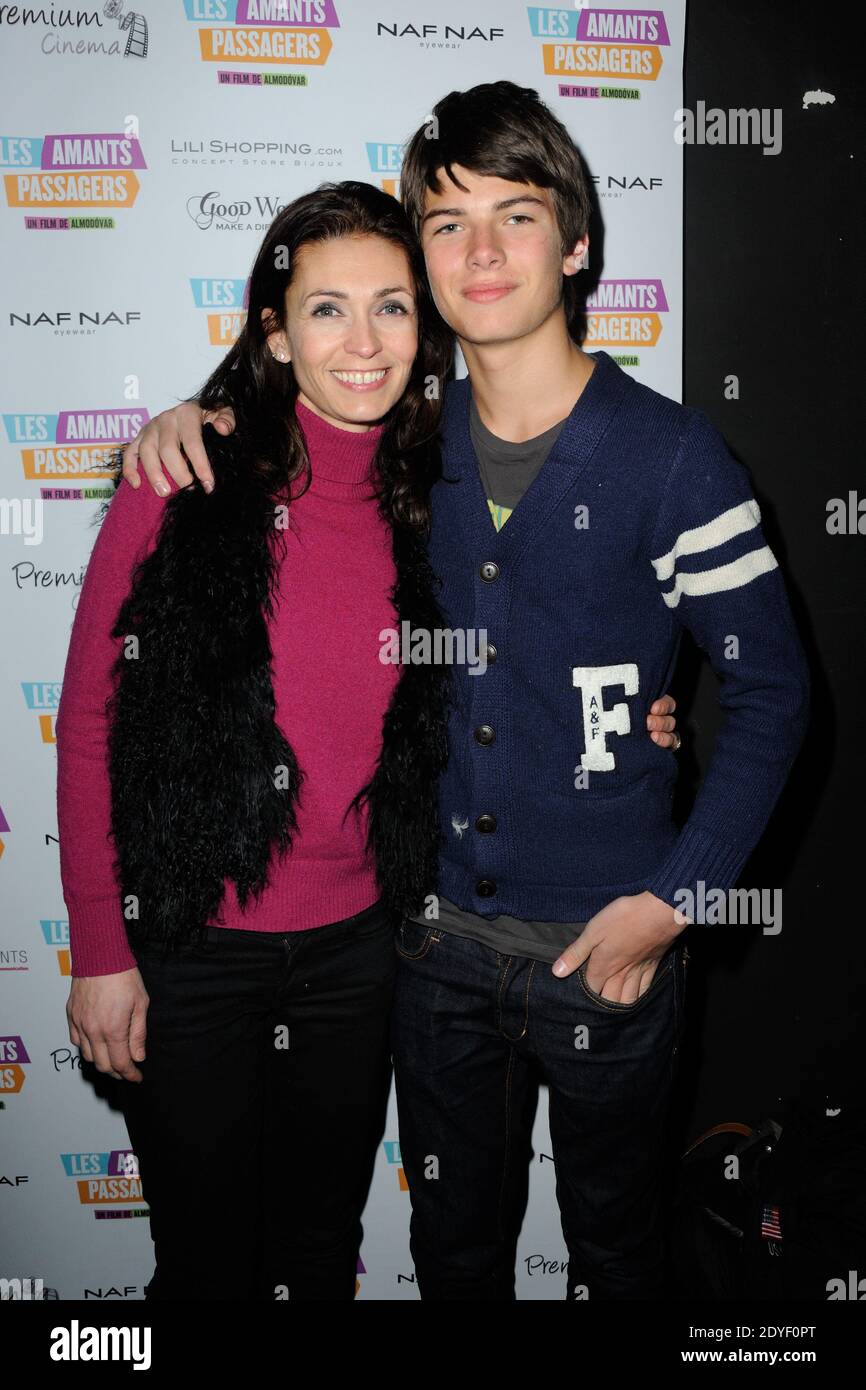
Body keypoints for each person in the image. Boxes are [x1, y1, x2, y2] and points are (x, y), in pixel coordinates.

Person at [120, 84, 761, 1304]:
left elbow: (773, 695)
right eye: (445, 220)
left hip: (607, 957)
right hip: (430, 956)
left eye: (514, 217)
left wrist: (674, 901)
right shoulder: (410, 439)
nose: (477, 252)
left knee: (619, 1258)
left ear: (573, 245)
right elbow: (289, 439)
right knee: (449, 1261)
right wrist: (188, 420)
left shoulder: (672, 453)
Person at [57, 180, 458, 1301]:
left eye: (391, 305)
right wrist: (100, 945)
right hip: (193, 951)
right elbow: (89, 717)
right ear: (274, 332)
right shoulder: (183, 477)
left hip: (357, 951)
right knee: (203, 1266)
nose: (364, 340)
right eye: (327, 309)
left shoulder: (441, 492)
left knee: (316, 1256)